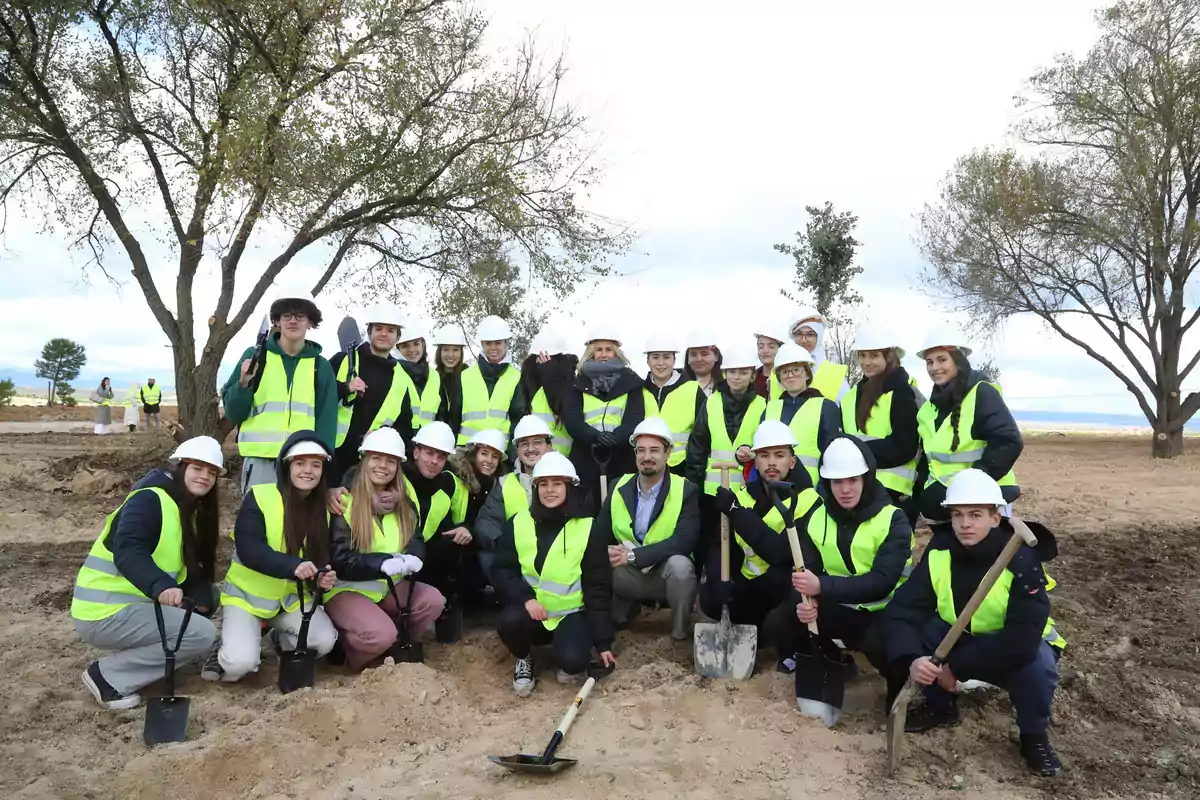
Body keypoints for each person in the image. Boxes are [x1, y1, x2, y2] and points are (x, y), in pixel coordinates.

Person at [883, 469, 1065, 777]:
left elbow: (1023, 638)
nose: (965, 524)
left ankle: (1033, 736)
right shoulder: (940, 551)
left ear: (995, 518)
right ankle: (942, 708)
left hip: (1014, 649)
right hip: (962, 637)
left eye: (976, 514)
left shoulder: (1021, 560)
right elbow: (902, 611)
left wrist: (956, 668)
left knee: (1038, 664)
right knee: (924, 634)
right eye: (958, 515)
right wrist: (913, 660)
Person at [72, 436, 224, 709]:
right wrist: (160, 586)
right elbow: (129, 550)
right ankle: (108, 677)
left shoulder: (184, 508)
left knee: (207, 600)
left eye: (211, 472)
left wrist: (201, 598)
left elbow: (187, 568)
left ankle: (136, 660)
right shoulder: (149, 499)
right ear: (180, 467)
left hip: (129, 605)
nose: (205, 477)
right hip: (103, 611)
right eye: (197, 469)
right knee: (201, 634)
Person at [778, 436, 913, 725]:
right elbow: (808, 571)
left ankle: (897, 687)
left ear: (866, 477)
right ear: (827, 483)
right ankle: (835, 664)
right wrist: (809, 601)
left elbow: (882, 581)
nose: (846, 489)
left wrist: (822, 588)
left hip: (889, 613)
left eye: (853, 479)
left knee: (887, 647)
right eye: (837, 482)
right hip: (844, 608)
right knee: (791, 609)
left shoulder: (894, 520)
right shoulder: (816, 518)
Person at [206, 431, 339, 682]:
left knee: (323, 642)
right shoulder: (260, 496)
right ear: (286, 466)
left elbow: (319, 557)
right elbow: (249, 549)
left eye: (316, 465)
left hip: (289, 601)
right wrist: (293, 566)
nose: (307, 471)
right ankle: (223, 647)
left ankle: (279, 637)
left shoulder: (324, 509)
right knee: (239, 664)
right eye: (300, 463)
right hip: (246, 599)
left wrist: (320, 578)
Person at [491, 452, 615, 696]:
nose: (550, 490)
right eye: (543, 484)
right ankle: (524, 658)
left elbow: (597, 587)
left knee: (572, 663)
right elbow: (502, 569)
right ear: (535, 488)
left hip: (570, 614)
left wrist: (603, 643)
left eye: (557, 483)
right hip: (532, 613)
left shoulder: (589, 527)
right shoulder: (518, 523)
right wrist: (526, 598)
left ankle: (569, 649)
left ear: (569, 486)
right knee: (508, 622)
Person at [325, 428, 445, 671]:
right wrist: (381, 562)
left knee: (433, 601)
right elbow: (340, 558)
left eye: (390, 460)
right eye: (376, 458)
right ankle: (349, 650)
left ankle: (394, 640)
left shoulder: (403, 504)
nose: (383, 466)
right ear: (365, 460)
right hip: (348, 588)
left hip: (387, 587)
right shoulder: (344, 502)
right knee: (380, 635)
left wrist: (413, 556)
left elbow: (416, 539)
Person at [703, 421, 819, 655]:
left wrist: (737, 513)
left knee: (779, 587)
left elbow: (780, 553)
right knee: (709, 596)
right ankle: (752, 627)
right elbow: (721, 545)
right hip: (750, 588)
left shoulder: (808, 501)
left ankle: (773, 634)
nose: (772, 462)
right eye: (764, 456)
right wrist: (718, 580)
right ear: (755, 461)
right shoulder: (743, 497)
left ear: (792, 461)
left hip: (783, 592)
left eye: (779, 455)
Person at [221, 286, 338, 492]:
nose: (293, 320)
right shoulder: (255, 356)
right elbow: (233, 412)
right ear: (277, 321)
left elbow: (327, 421)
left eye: (300, 315)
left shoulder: (321, 366)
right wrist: (243, 384)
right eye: (286, 315)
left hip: (303, 463)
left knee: (299, 524)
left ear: (310, 322)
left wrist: (323, 465)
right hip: (259, 462)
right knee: (259, 522)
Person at [593, 417, 701, 641]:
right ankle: (612, 620)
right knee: (596, 561)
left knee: (681, 566)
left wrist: (632, 556)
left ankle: (680, 631)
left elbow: (683, 541)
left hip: (665, 575)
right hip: (628, 576)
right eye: (641, 450)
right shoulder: (618, 486)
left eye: (654, 450)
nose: (647, 457)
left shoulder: (685, 490)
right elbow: (599, 534)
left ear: (667, 453)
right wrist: (606, 551)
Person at [915, 332, 1022, 522]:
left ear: (958, 360)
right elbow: (929, 460)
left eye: (942, 360)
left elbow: (1009, 442)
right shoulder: (927, 410)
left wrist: (972, 486)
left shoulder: (982, 393)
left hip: (986, 499)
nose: (935, 367)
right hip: (948, 503)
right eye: (930, 362)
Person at [686, 343, 765, 568]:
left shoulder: (762, 406)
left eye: (743, 372)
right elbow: (697, 448)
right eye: (732, 372)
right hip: (713, 493)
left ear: (752, 375)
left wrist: (752, 453)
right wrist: (694, 489)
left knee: (743, 545)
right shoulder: (711, 403)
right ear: (725, 374)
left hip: (747, 492)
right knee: (714, 548)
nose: (737, 377)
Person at [840, 327, 923, 525]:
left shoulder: (902, 393)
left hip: (894, 495)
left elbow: (904, 447)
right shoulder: (850, 396)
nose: (866, 362)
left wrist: (857, 452)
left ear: (890, 356)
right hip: (858, 490)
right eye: (862, 355)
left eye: (874, 355)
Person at [328, 306, 417, 487]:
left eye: (390, 330)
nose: (384, 334)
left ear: (397, 338)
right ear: (369, 332)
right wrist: (345, 388)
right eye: (378, 329)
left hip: (370, 464)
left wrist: (383, 435)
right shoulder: (342, 360)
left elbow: (406, 427)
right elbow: (316, 395)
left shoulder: (401, 377)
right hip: (331, 457)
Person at [562, 328, 646, 512]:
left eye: (608, 349)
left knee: (620, 510)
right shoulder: (577, 384)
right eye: (598, 349)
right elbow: (572, 418)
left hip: (621, 457)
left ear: (616, 352)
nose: (603, 354)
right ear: (590, 352)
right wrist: (594, 436)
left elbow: (635, 417)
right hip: (586, 456)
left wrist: (616, 437)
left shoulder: (631, 382)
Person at [399, 422, 474, 600]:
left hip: (419, 562)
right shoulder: (395, 478)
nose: (434, 461)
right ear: (416, 452)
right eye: (429, 453)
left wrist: (464, 528)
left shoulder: (442, 491)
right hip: (388, 560)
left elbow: (443, 530)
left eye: (441, 457)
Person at [472, 415, 554, 577]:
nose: (530, 449)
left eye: (537, 442)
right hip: (516, 561)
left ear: (549, 446)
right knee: (487, 556)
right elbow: (486, 522)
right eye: (524, 444)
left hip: (557, 559)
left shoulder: (568, 479)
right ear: (516, 450)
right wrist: (508, 545)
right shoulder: (504, 483)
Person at [763, 344, 842, 487]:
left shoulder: (826, 407)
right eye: (785, 371)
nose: (790, 375)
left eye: (796, 370)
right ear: (779, 378)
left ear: (807, 373)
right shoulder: (770, 408)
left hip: (812, 491)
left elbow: (833, 455)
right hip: (773, 490)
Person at [456, 315, 528, 446]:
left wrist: (511, 457)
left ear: (506, 343)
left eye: (498, 342)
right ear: (482, 344)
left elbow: (518, 422)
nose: (493, 347)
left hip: (499, 453)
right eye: (488, 343)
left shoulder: (516, 377)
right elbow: (454, 418)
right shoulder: (465, 376)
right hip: (466, 451)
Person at [641, 334, 696, 476]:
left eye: (666, 357)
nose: (661, 363)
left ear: (674, 360)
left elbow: (701, 437)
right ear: (647, 360)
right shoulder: (638, 391)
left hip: (682, 468)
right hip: (646, 467)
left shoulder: (693, 389)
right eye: (655, 357)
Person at [522, 330, 579, 456]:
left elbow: (563, 410)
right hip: (531, 459)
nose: (541, 363)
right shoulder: (526, 385)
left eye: (548, 359)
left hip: (563, 459)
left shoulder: (572, 385)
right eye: (538, 358)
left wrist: (549, 377)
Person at [449, 428, 510, 530]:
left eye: (495, 457)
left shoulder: (499, 488)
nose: (489, 460)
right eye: (484, 453)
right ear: (474, 454)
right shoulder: (454, 478)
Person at [789, 309, 850, 402]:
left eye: (810, 334)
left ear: (819, 336)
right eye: (799, 334)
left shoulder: (836, 374)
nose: (804, 340)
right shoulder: (781, 371)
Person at [395, 328, 441, 433]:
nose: (411, 349)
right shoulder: (393, 371)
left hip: (427, 440)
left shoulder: (434, 375)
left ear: (423, 345)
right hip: (398, 438)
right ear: (397, 349)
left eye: (416, 344)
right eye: (405, 345)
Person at [431, 326, 468, 437]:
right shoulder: (432, 377)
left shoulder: (470, 377)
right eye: (446, 349)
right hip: (437, 441)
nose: (451, 355)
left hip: (463, 444)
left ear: (461, 352)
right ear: (439, 352)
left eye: (455, 350)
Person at [681, 328, 722, 397]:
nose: (699, 359)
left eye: (704, 354)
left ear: (716, 356)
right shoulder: (678, 385)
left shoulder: (729, 383)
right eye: (693, 355)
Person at [753, 328, 786, 399]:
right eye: (761, 347)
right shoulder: (751, 378)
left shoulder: (789, 377)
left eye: (771, 347)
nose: (765, 351)